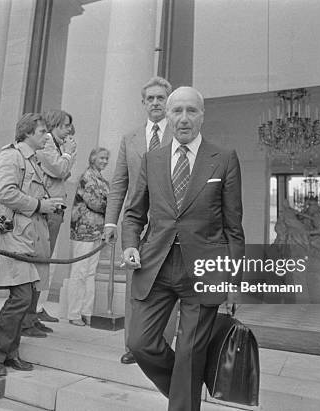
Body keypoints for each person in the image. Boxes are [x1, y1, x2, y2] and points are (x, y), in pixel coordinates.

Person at [122, 86, 245, 411]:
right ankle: (185, 387)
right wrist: (130, 245)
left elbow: (234, 226)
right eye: (177, 110)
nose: (184, 118)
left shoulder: (224, 158)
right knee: (140, 344)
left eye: (192, 110)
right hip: (156, 266)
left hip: (205, 269)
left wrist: (232, 278)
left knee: (190, 352)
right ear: (167, 114)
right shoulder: (152, 159)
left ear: (202, 115)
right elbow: (134, 213)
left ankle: (183, 397)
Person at [104, 76, 178, 365]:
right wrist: (111, 223)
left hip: (169, 224)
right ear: (144, 103)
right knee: (136, 285)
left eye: (161, 98)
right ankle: (133, 346)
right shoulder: (130, 139)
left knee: (168, 285)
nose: (156, 103)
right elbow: (119, 182)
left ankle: (162, 346)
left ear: (168, 102)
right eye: (151, 98)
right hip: (136, 221)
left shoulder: (179, 134)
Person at [0, 113, 64, 376]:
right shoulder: (11, 157)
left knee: (26, 299)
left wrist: (48, 205)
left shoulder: (32, 160)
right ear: (28, 133)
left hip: (31, 238)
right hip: (16, 238)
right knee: (20, 298)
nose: (47, 136)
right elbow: (5, 193)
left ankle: (10, 354)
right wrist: (40, 205)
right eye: (43, 131)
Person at [21, 109, 77, 337]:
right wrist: (69, 154)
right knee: (38, 265)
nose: (69, 131)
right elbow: (60, 169)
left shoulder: (55, 147)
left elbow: (63, 173)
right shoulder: (47, 145)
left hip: (54, 210)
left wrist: (65, 158)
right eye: (65, 126)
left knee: (43, 266)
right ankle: (26, 319)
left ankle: (32, 315)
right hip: (45, 211)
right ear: (54, 126)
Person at [67, 147, 110, 326]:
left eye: (107, 158)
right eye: (101, 157)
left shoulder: (102, 180)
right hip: (83, 230)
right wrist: (111, 206)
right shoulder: (88, 177)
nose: (105, 161)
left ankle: (86, 311)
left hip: (97, 231)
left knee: (91, 272)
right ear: (92, 158)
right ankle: (74, 313)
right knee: (79, 272)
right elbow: (95, 203)